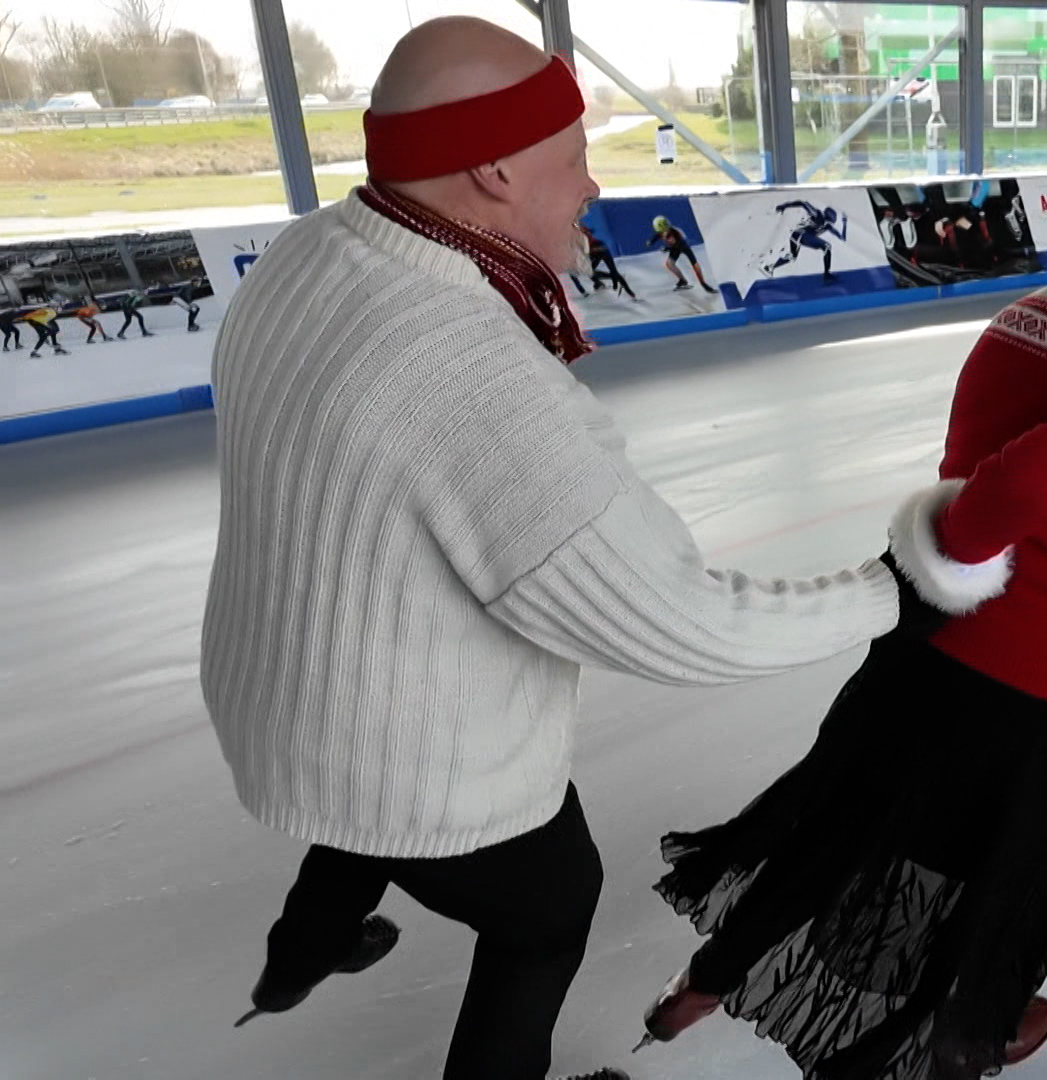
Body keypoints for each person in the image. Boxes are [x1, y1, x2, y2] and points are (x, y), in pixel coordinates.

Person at [201, 18, 964, 1080]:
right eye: (574, 159)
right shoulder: (467, 372)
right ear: (495, 166)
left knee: (362, 798)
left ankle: (305, 946)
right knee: (547, 908)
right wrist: (892, 593)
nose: (593, 188)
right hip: (407, 754)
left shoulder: (310, 251)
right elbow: (677, 616)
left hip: (280, 693)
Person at [639, 96, 1047, 1080]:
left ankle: (706, 983)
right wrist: (962, 545)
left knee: (841, 822)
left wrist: (941, 572)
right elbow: (1011, 491)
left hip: (921, 644)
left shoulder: (1024, 319)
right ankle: (964, 1033)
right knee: (1015, 884)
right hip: (1046, 689)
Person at [762, 199, 848, 282]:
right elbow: (802, 203)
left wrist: (845, 223)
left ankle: (769, 268)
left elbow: (842, 238)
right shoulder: (818, 215)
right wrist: (784, 206)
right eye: (829, 221)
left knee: (792, 257)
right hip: (802, 234)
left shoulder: (827, 226)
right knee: (826, 246)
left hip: (797, 236)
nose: (828, 224)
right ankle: (827, 274)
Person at [643, 214, 719, 293]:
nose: (666, 231)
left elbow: (677, 246)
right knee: (669, 264)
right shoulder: (661, 232)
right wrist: (651, 242)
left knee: (694, 264)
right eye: (663, 230)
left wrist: (667, 248)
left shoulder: (675, 233)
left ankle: (704, 284)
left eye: (667, 228)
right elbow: (657, 236)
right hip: (674, 247)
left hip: (683, 246)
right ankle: (682, 281)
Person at [582, 225, 636, 297]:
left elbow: (590, 233)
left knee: (613, 271)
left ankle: (630, 292)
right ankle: (600, 283)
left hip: (599, 248)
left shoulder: (579, 230)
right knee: (589, 271)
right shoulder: (577, 231)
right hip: (595, 250)